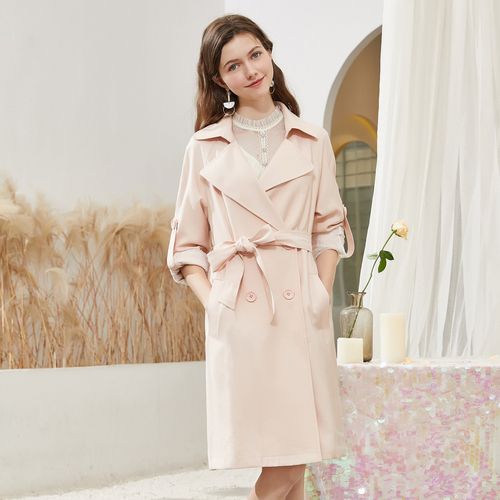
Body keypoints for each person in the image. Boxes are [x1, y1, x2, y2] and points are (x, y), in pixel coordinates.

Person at [167, 14, 354, 500]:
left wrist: (319, 290)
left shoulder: (312, 140)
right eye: (233, 65)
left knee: (298, 449)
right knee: (283, 453)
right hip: (240, 306)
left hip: (299, 303)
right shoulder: (204, 147)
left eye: (255, 54)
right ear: (218, 79)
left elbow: (328, 227)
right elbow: (187, 246)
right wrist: (215, 303)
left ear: (269, 53)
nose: (250, 70)